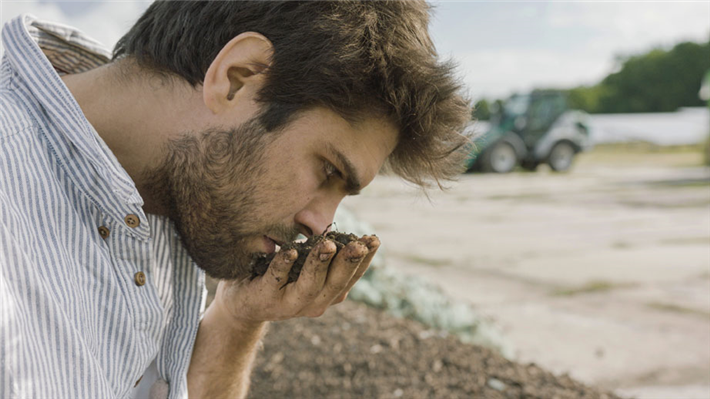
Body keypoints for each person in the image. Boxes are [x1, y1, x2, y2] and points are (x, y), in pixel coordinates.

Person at [0, 1, 469, 398]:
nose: (320, 224)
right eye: (328, 171)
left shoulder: (173, 184)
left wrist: (238, 317)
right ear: (237, 77)